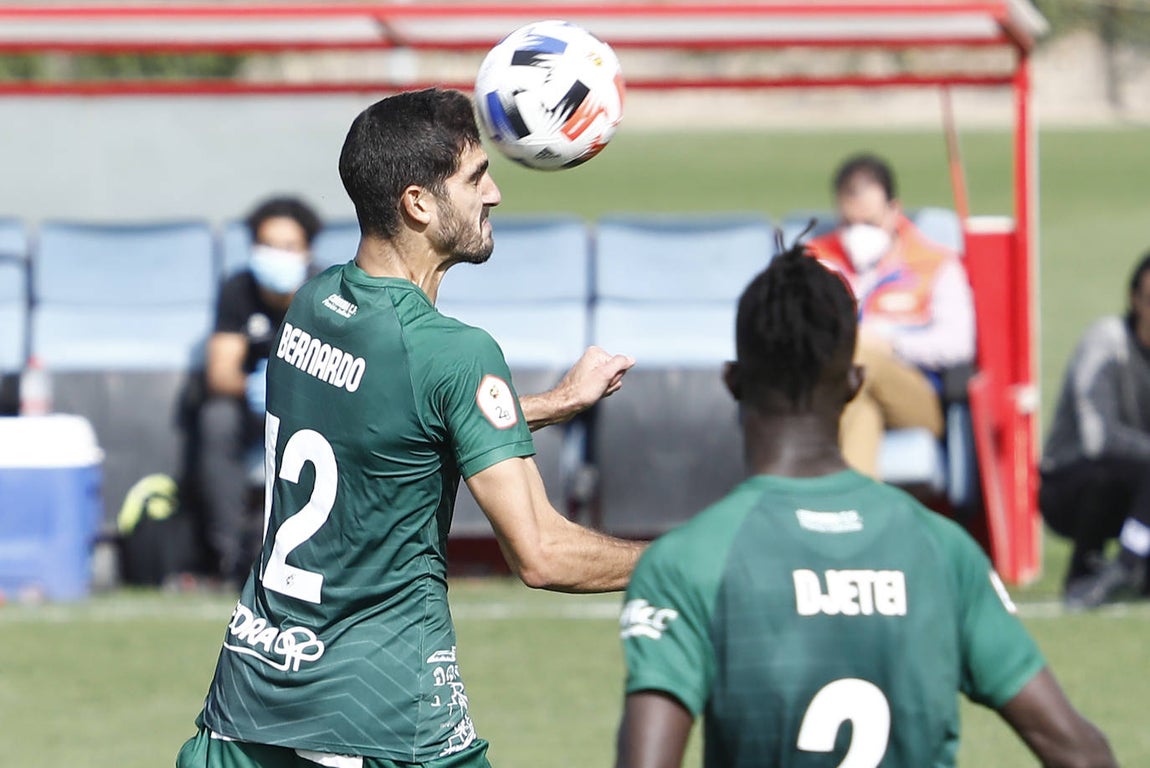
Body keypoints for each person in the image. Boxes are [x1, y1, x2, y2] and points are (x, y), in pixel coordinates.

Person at [177, 88, 645, 768]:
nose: (494, 196)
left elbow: (393, 425)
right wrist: (686, 563)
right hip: (385, 719)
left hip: (250, 701)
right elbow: (543, 554)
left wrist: (553, 402)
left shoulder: (313, 305)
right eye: (477, 178)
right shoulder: (456, 352)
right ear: (419, 203)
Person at [614, 246, 1115, 767]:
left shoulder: (686, 562)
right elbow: (1079, 753)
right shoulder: (942, 550)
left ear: (732, 381)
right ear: (855, 383)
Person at [806, 153, 975, 478]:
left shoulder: (934, 263)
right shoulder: (815, 260)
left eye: (869, 223)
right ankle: (856, 504)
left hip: (916, 394)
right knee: (862, 406)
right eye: (848, 224)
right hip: (842, 392)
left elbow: (958, 343)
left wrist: (891, 344)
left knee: (858, 351)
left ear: (894, 210)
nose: (858, 234)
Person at [196, 196, 323, 585]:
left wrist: (292, 391)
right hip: (250, 410)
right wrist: (256, 385)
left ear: (306, 252)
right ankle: (229, 556)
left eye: (288, 247)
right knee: (216, 419)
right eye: (268, 245)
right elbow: (220, 373)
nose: (277, 256)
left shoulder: (324, 293)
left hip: (312, 410)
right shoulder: (238, 289)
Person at [1040, 250, 1150, 610]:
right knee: (1111, 472)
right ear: (1134, 299)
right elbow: (1097, 438)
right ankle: (1095, 570)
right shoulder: (1107, 341)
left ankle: (1130, 569)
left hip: (1141, 488)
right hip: (1068, 482)